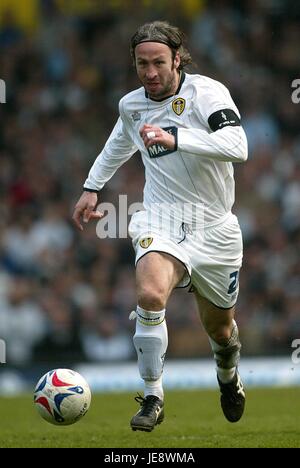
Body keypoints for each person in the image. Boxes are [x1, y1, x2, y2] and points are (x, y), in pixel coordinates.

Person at [72, 20, 248, 432]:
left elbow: (238, 147)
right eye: (141, 64)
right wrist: (91, 188)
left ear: (177, 59)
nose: (149, 73)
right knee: (150, 294)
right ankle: (153, 396)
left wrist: (175, 137)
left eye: (158, 63)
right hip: (161, 218)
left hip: (216, 228)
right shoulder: (132, 105)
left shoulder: (208, 93)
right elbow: (119, 143)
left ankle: (228, 377)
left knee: (220, 331)